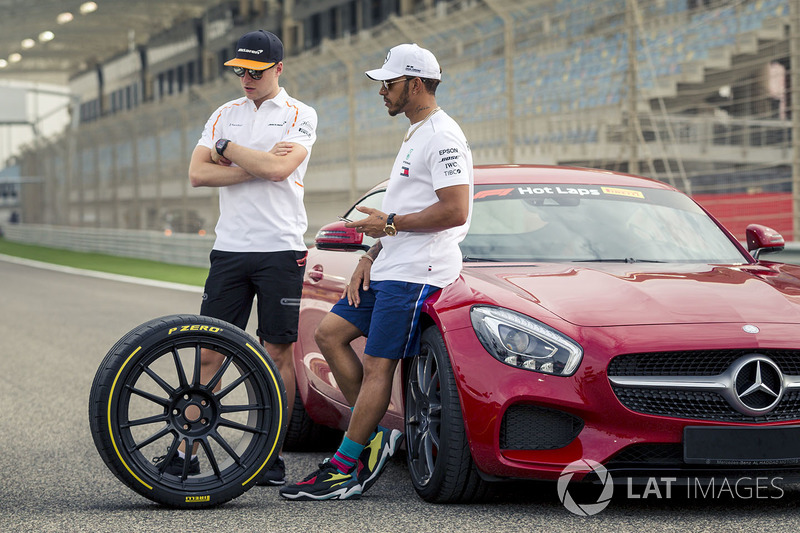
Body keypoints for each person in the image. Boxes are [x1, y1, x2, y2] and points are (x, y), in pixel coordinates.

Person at [280, 43, 473, 501]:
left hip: (418, 272)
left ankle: (346, 468)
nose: (381, 91)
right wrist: (371, 253)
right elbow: (406, 209)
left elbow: (456, 210)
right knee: (329, 335)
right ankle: (375, 435)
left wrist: (386, 224)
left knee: (377, 364)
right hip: (391, 264)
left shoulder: (443, 135)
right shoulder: (416, 132)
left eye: (389, 82)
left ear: (417, 83)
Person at [161, 29, 318, 486]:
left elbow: (279, 169)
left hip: (281, 248)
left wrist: (228, 154)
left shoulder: (299, 114)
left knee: (276, 355)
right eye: (240, 70)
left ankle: (270, 455)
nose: (246, 78)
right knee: (209, 352)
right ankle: (186, 451)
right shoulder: (222, 114)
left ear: (278, 69)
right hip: (229, 248)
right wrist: (251, 161)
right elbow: (197, 174)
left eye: (256, 71)